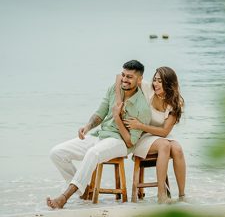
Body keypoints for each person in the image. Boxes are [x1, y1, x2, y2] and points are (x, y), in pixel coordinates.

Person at [47, 60, 151, 209]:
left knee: (93, 153)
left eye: (129, 77)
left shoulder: (142, 107)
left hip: (119, 142)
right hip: (100, 134)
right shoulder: (113, 89)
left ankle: (65, 196)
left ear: (139, 79)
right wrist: (87, 126)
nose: (124, 79)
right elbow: (100, 113)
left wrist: (117, 117)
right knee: (56, 153)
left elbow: (130, 143)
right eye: (123, 75)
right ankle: (84, 191)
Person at [117, 66, 186, 204]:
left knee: (177, 148)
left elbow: (165, 132)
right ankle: (161, 194)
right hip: (142, 137)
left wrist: (140, 125)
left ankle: (182, 196)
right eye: (155, 79)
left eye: (160, 81)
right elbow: (119, 77)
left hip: (159, 135)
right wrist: (119, 102)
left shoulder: (175, 103)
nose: (155, 83)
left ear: (169, 83)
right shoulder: (148, 88)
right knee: (165, 145)